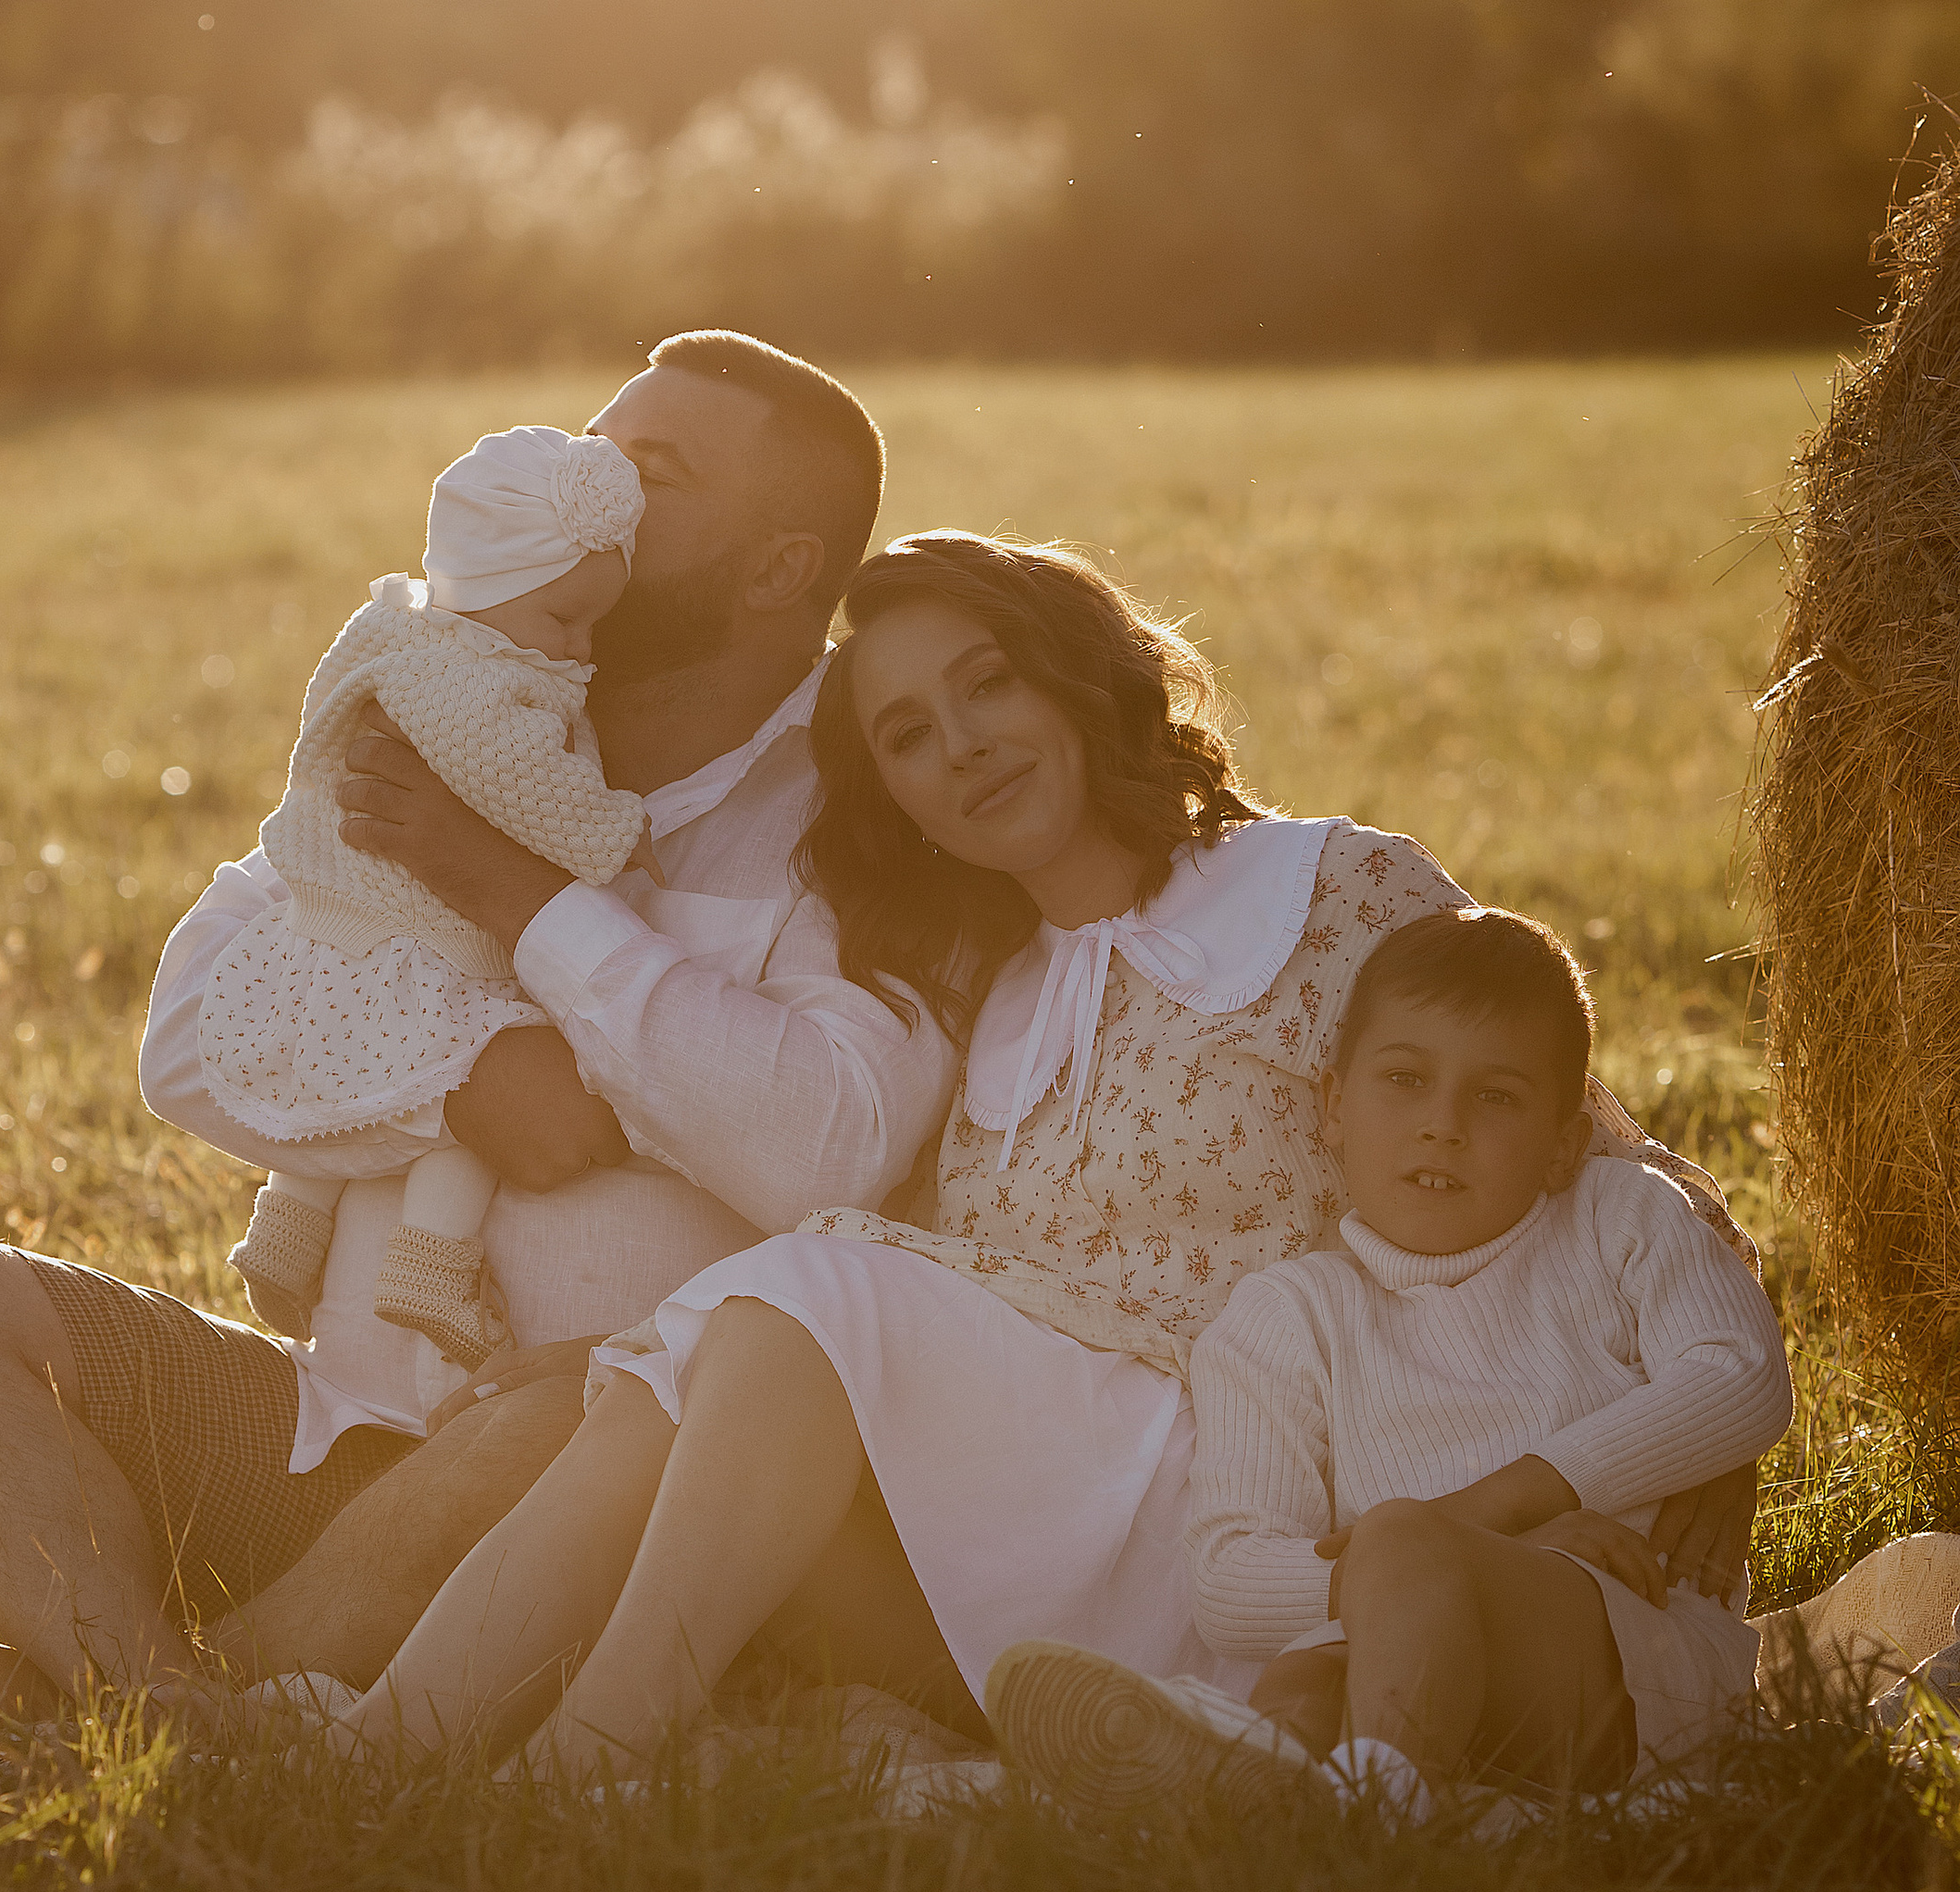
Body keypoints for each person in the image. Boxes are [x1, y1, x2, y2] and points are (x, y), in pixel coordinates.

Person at [343, 538, 1759, 1779]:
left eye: (989, 682)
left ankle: (592, 1761)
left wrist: (1684, 1457)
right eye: (905, 734)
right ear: (893, 795)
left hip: (1275, 1510)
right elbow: (919, 1299)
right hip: (1061, 1514)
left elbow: (1586, 1135)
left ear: (1077, 677)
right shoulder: (987, 1004)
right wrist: (649, 1338)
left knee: (803, 1299)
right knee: (710, 1358)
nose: (959, 745)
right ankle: (393, 1741)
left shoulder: (1334, 891)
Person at [0, 332, 951, 1730]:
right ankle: (163, 1704)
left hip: (577, 1473)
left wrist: (521, 901)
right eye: (591, 441)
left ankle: (121, 1713)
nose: (587, 480)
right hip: (315, 1430)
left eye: (650, 471)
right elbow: (188, 1030)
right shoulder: (440, 691)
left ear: (780, 569)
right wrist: (464, 1078)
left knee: (587, 1411)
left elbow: (823, 1145)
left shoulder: (875, 805)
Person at [983, 906, 1793, 1824]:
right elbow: (1227, 1577)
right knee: (1304, 1682)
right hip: (1394, 1653)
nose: (1441, 1126)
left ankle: (1374, 1821)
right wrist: (1424, 1576)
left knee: (1399, 1539)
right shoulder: (1288, 1315)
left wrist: (1492, 1515)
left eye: (1495, 1096)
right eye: (1405, 1080)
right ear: (1332, 1105)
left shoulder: (1618, 1218)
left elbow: (1741, 1377)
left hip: (1628, 1656)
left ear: (1565, 1139)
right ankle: (1267, 1789)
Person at [210, 423, 651, 1370]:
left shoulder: (391, 627)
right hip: (420, 940)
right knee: (465, 1083)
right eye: (565, 621)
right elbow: (523, 783)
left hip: (329, 925)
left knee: (336, 1071)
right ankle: (430, 1267)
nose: (581, 649)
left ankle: (285, 1232)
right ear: (492, 595)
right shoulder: (472, 682)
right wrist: (616, 833)